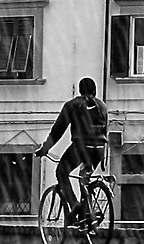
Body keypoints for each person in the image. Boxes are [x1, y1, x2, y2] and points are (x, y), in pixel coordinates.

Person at [38, 76, 108, 221]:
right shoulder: (103, 106)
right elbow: (104, 131)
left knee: (61, 172)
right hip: (99, 149)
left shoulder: (72, 105)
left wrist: (45, 148)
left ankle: (74, 204)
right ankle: (87, 214)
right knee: (84, 177)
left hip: (81, 148)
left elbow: (58, 130)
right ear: (94, 90)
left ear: (80, 90)